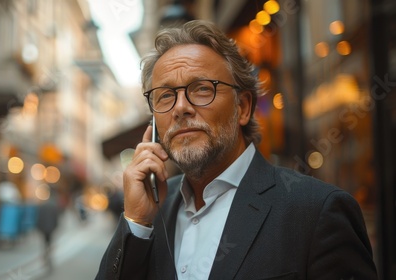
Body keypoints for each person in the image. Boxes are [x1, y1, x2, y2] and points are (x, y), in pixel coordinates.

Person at [95, 20, 377, 280]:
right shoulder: (149, 215)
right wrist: (136, 222)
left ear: (242, 108)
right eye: (166, 96)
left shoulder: (316, 211)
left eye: (202, 88)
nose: (180, 107)